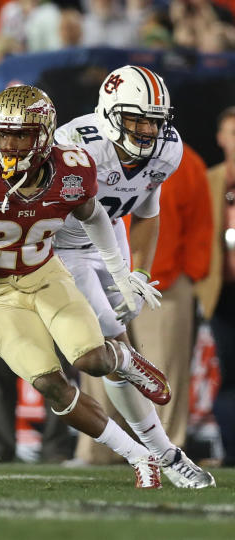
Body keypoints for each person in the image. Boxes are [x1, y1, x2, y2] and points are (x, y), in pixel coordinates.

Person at [0, 84, 175, 488]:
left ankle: (123, 360)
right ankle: (140, 456)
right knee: (51, 386)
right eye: (3, 133)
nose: (10, 144)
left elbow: (96, 218)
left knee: (90, 360)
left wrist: (120, 270)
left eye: (22, 134)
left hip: (45, 272)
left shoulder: (71, 167)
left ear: (45, 133)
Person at [54, 65, 215, 488]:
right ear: (109, 113)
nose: (147, 129)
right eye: (136, 119)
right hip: (56, 245)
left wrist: (139, 271)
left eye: (153, 120)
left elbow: (146, 211)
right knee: (106, 342)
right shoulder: (76, 145)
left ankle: (159, 451)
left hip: (109, 242)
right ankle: (162, 451)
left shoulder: (167, 150)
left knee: (109, 348)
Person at [131, 143, 213, 449]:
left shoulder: (187, 162)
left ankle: (165, 447)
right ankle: (99, 450)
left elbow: (201, 223)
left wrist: (189, 273)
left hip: (165, 281)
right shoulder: (108, 153)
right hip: (110, 276)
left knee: (164, 372)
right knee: (101, 364)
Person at [196, 106, 235, 467]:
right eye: (232, 133)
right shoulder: (209, 181)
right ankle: (232, 453)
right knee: (229, 375)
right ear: (221, 139)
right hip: (221, 292)